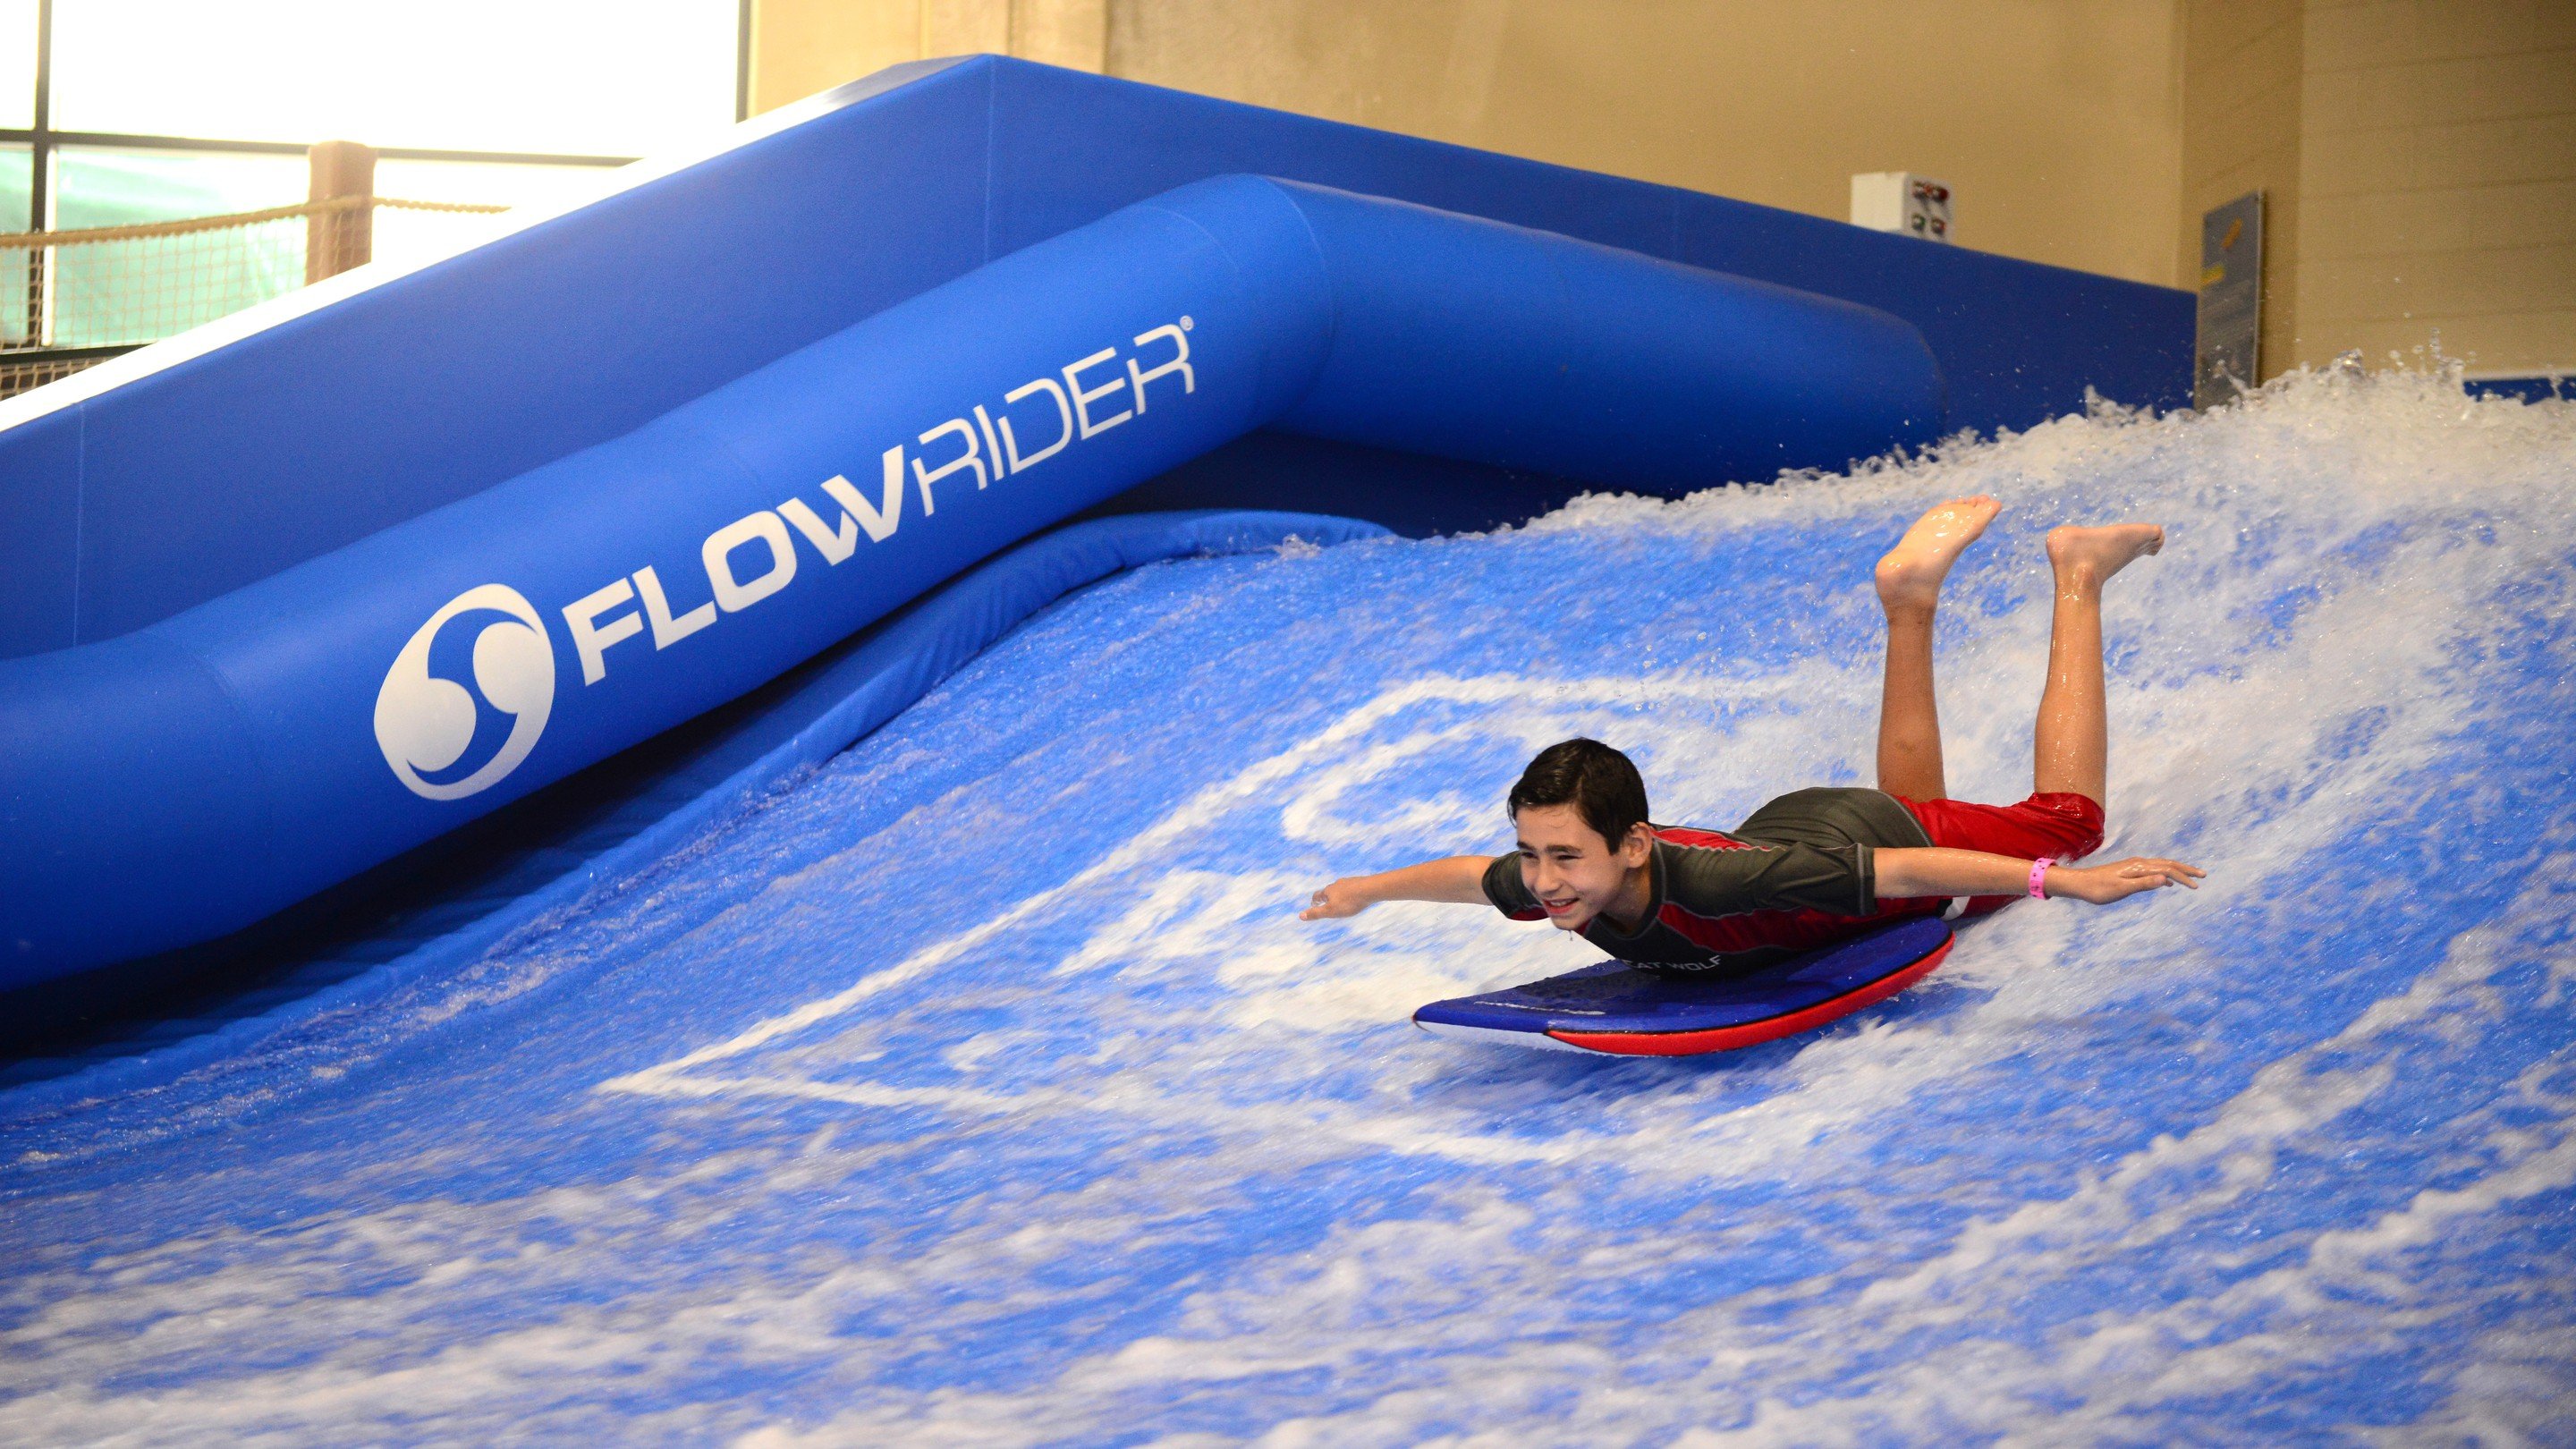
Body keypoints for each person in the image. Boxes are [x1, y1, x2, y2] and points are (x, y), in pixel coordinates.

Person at [1298, 497, 2203, 969]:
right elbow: (1466, 877)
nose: (1542, 882)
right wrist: (1367, 889)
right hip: (1807, 823)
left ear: (1633, 845)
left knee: (2067, 818)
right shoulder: (1562, 878)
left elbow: (1908, 869)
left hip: (1827, 845)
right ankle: (1909, 601)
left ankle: (2078, 570)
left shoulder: (1724, 885)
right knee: (1918, 811)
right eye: (1534, 857)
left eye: (1563, 859)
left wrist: (2064, 882)